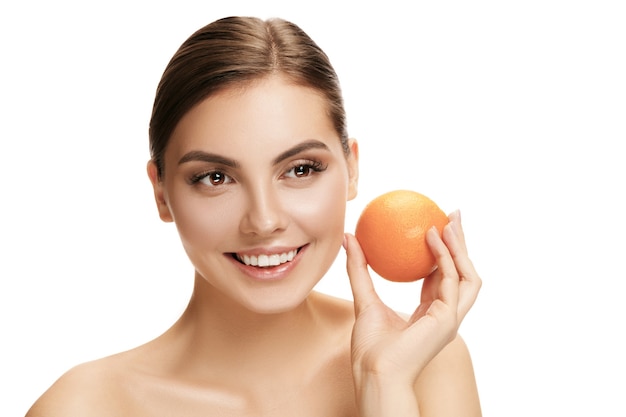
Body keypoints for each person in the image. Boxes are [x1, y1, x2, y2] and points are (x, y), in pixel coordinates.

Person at [26, 16, 482, 416]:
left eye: (300, 170)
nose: (263, 221)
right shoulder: (82, 408)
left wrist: (385, 388)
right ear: (161, 193)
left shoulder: (424, 362)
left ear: (351, 170)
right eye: (216, 177)